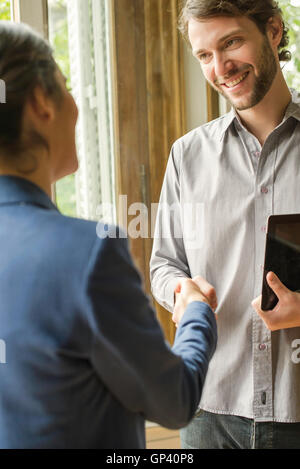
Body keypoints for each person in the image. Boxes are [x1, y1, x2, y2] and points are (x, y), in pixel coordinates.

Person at [0, 21, 218, 449]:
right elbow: (174, 401)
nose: (76, 107)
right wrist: (195, 311)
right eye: (64, 87)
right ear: (42, 102)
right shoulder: (86, 253)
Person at [150, 0, 300, 450]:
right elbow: (164, 265)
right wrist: (181, 292)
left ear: (273, 31)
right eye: (204, 55)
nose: (221, 68)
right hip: (207, 417)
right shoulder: (186, 156)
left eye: (231, 42)